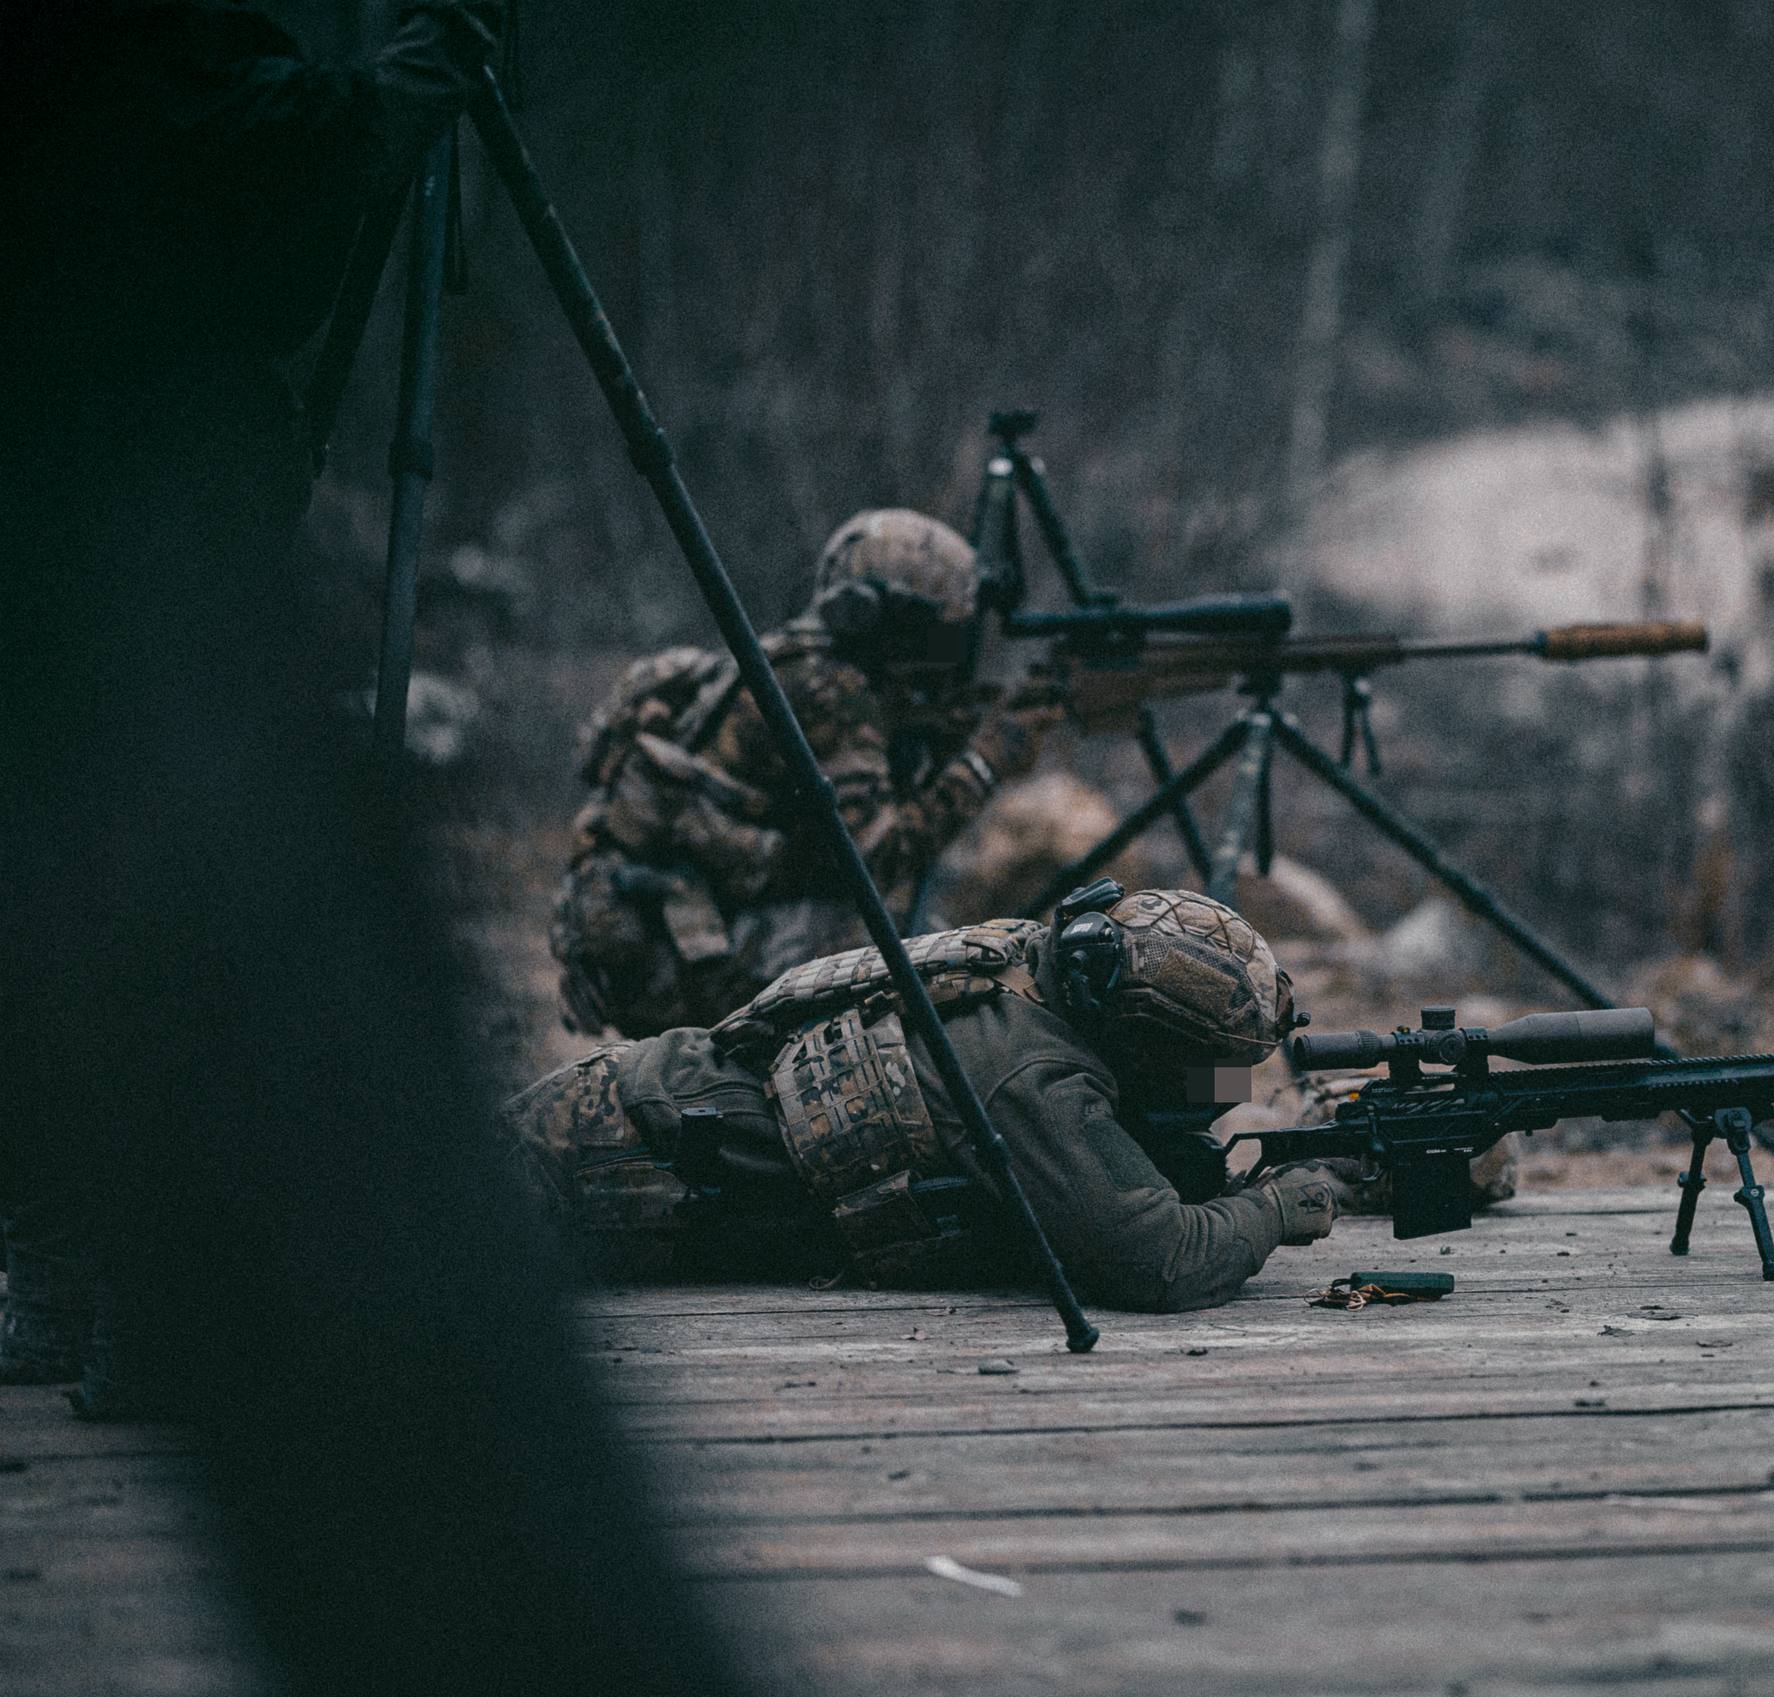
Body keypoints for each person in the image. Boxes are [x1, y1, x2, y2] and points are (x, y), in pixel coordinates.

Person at [0, 0, 506, 1409]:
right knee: (175, 890)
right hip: (126, 492)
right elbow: (216, 155)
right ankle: (159, 1309)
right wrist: (387, 101)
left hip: (70, 478)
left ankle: (63, 1281)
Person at [508, 884, 1357, 1313]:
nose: (1221, 1090)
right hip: (615, 1162)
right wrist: (1274, 1210)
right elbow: (1158, 1258)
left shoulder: (1033, 961)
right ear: (1143, 1042)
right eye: (1206, 1068)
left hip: (640, 1110)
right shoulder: (1031, 1072)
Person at [550, 507, 1065, 1037]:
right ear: (891, 622)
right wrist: (985, 762)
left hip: (662, 921)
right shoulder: (831, 692)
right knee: (924, 960)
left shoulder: (793, 659)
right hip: (676, 953)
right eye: (937, 630)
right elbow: (877, 860)